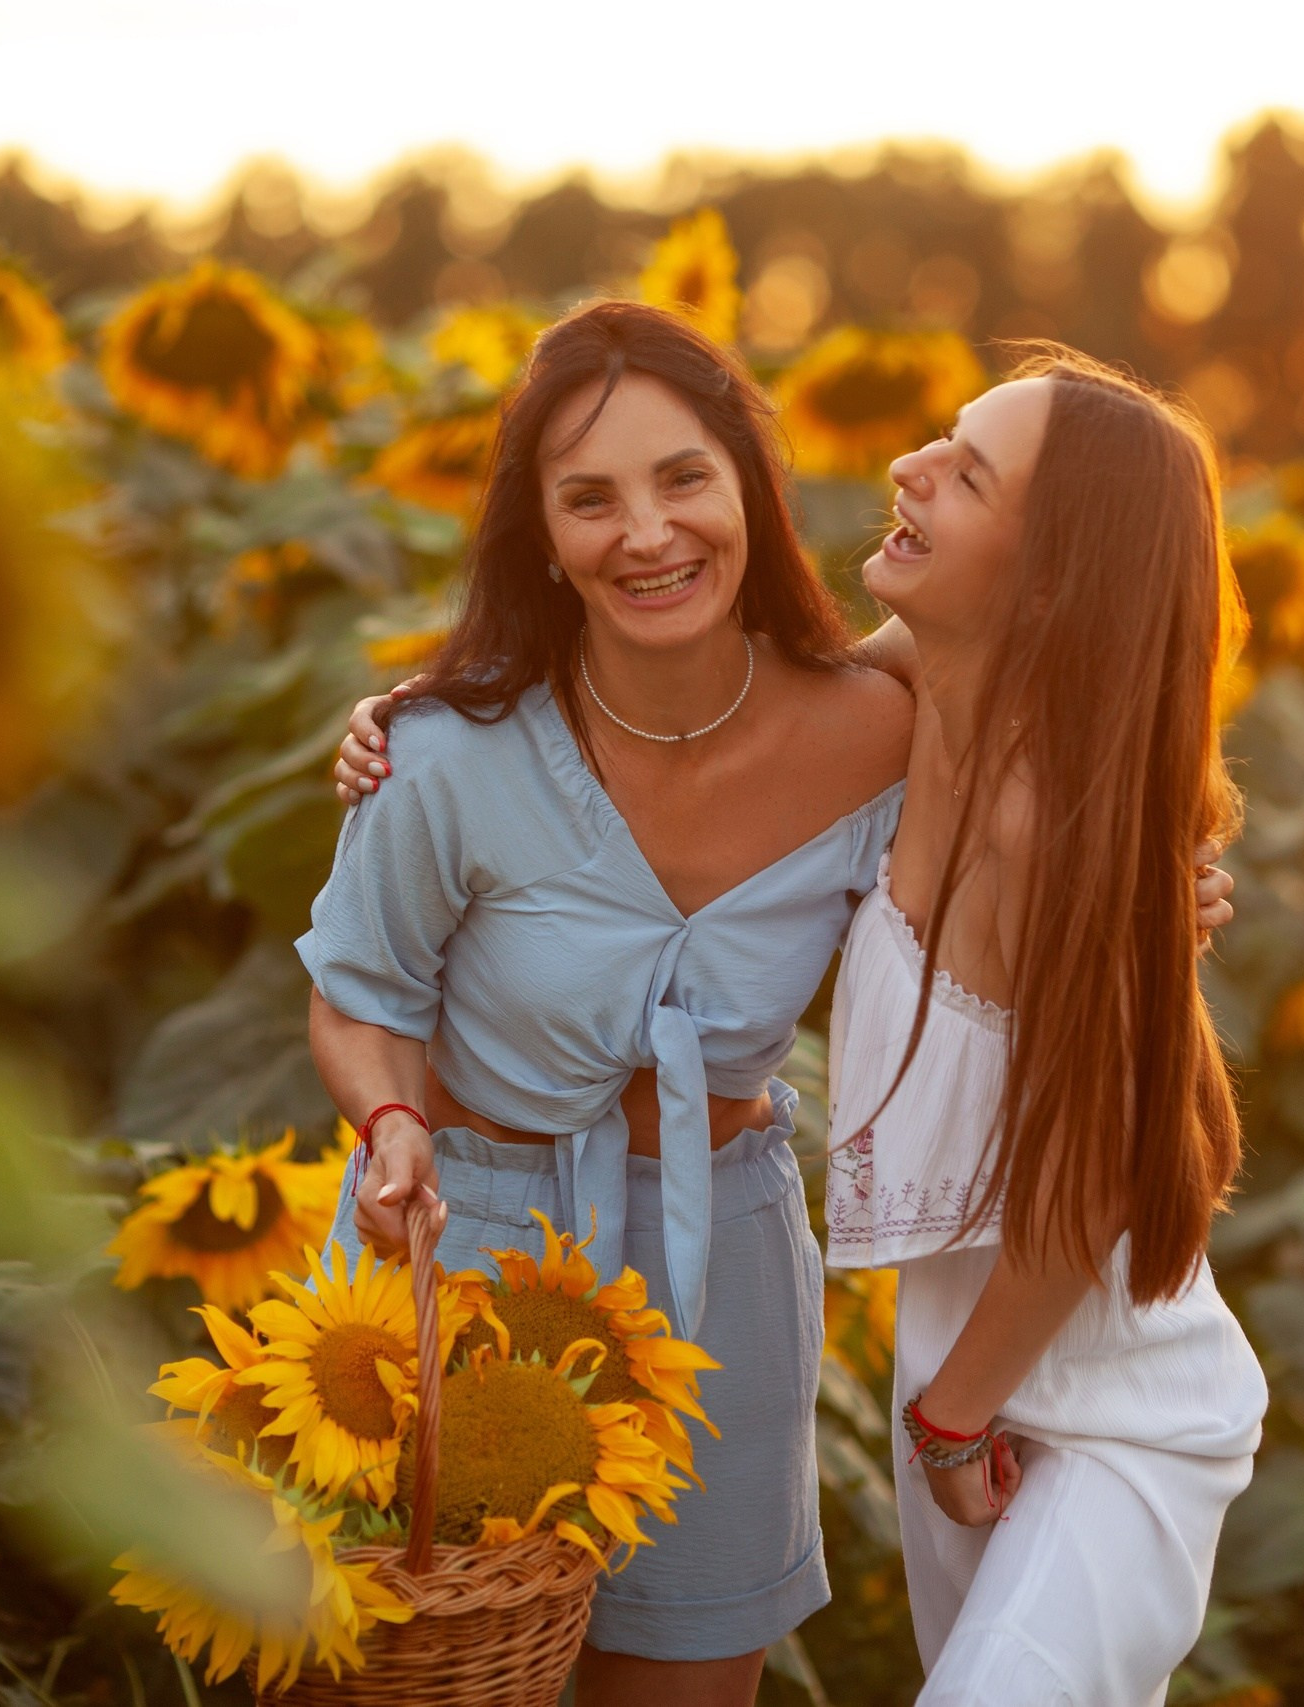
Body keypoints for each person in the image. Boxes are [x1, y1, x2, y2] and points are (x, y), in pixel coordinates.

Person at [310, 305, 1233, 1704]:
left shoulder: (931, 753)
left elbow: (1076, 693)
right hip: (473, 1246)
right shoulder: (467, 754)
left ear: (747, 484)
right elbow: (365, 987)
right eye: (588, 498)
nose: (646, 532)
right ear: (540, 536)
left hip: (783, 1291)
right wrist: (390, 1114)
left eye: (684, 477)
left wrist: (1163, 887)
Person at [821, 352, 1266, 1706]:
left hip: (1107, 1418)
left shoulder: (1053, 824)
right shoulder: (908, 689)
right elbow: (682, 729)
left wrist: (949, 1422)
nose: (909, 471)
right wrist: (420, 726)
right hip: (968, 1378)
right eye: (940, 443)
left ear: (1053, 584)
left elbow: (1094, 1185)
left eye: (968, 477)